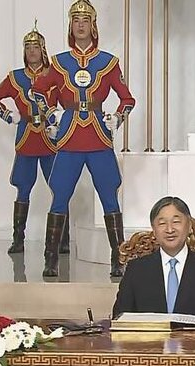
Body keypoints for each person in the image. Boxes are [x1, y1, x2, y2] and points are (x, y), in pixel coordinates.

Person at [31, 0, 135, 278]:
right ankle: (50, 257)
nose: (80, 24)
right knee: (60, 195)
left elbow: (127, 98)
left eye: (85, 20)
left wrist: (117, 117)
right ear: (70, 25)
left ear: (93, 25)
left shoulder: (109, 62)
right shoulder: (59, 61)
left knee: (109, 196)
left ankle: (118, 257)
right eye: (75, 20)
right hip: (69, 136)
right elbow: (38, 91)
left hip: (99, 137)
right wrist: (51, 112)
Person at [0, 19, 65, 255]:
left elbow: (66, 103)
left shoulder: (54, 75)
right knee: (23, 188)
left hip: (50, 140)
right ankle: (18, 239)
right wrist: (9, 115)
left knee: (60, 187)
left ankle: (63, 239)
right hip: (27, 139)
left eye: (36, 47)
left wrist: (59, 122)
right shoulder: (15, 77)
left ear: (43, 50)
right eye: (28, 47)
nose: (32, 51)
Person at [112, 197, 195, 319]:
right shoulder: (136, 269)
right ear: (154, 230)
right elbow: (120, 317)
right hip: (149, 337)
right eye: (162, 223)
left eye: (176, 222)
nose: (169, 229)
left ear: (189, 226)